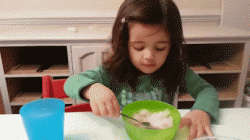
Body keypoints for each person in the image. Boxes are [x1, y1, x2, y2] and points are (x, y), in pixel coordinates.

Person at [64, 0, 220, 139]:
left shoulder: (176, 69)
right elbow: (71, 83)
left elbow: (206, 90)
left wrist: (201, 110)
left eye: (160, 48)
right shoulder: (113, 71)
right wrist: (93, 89)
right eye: (138, 47)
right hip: (119, 133)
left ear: (171, 46)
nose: (149, 56)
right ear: (124, 43)